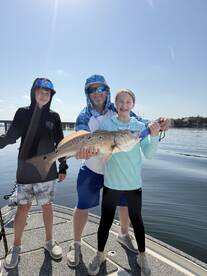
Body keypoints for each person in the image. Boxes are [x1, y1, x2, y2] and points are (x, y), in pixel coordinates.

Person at [67, 74, 169, 267]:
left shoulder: (118, 106)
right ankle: (76, 244)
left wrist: (159, 124)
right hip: (92, 169)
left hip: (115, 171)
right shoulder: (83, 116)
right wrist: (80, 153)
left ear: (107, 91)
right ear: (87, 93)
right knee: (82, 205)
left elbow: (140, 123)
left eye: (101, 89)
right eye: (92, 89)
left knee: (125, 205)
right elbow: (81, 139)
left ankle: (123, 234)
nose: (97, 93)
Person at [88, 89, 160, 275]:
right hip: (111, 183)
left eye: (128, 102)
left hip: (133, 184)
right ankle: (100, 254)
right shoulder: (107, 123)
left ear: (133, 105)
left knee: (137, 221)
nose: (124, 105)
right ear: (116, 104)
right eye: (120, 101)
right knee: (105, 221)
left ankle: (142, 256)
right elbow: (99, 148)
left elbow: (150, 154)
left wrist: (154, 136)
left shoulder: (138, 127)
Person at [0, 78, 68, 269]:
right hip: (25, 169)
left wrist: (63, 167)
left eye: (47, 93)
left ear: (51, 96)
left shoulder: (54, 117)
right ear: (33, 92)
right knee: (23, 208)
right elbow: (10, 136)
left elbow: (61, 144)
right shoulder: (23, 112)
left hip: (47, 170)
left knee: (47, 206)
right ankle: (16, 247)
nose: (43, 95)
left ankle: (49, 242)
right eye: (40, 91)